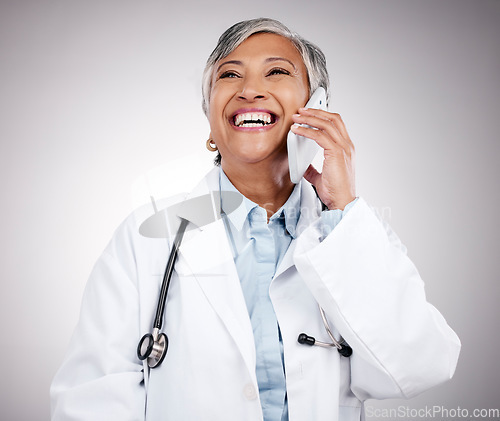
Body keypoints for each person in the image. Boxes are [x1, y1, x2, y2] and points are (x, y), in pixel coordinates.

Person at [50, 18, 460, 421]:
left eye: (277, 71)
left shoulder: (349, 232)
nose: (249, 90)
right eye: (229, 75)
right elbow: (91, 402)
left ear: (315, 107)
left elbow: (417, 366)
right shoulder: (149, 237)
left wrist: (342, 211)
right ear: (210, 120)